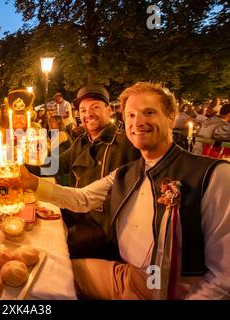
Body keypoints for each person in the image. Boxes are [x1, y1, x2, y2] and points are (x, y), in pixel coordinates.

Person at [20, 82, 230, 299]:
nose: (137, 122)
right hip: (131, 275)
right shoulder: (125, 172)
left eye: (148, 112)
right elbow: (82, 197)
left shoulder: (213, 175)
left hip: (174, 289)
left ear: (171, 116)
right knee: (49, 275)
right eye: (130, 115)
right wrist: (30, 181)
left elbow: (224, 280)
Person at [58, 84, 140, 259]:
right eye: (83, 110)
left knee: (57, 247)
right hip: (77, 212)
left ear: (109, 110)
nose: (88, 114)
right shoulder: (81, 142)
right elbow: (55, 165)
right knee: (41, 224)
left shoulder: (126, 143)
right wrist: (21, 163)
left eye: (95, 107)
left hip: (105, 227)